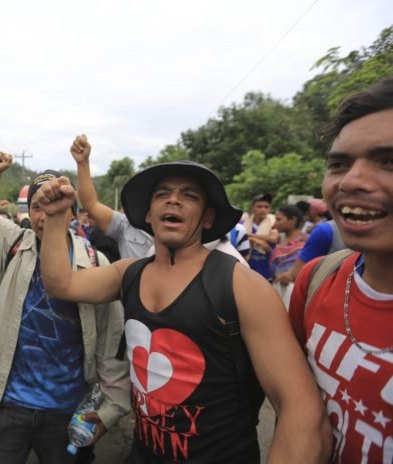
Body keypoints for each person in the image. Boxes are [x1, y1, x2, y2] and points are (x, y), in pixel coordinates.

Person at [37, 160, 332, 462]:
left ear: (208, 218)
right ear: (148, 214)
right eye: (162, 194)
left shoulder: (242, 286)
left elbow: (301, 409)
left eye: (189, 195)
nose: (174, 200)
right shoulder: (129, 274)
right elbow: (62, 284)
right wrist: (57, 216)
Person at [0, 90, 130, 464]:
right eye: (38, 206)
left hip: (69, 410)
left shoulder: (96, 262)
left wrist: (109, 410)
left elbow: (112, 341)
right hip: (9, 406)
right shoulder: (10, 244)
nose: (46, 214)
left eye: (56, 205)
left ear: (73, 213)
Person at [288, 78, 393, 463]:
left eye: (389, 161)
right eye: (338, 164)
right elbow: (297, 410)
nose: (350, 181)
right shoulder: (317, 279)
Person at [70, 134, 153, 258]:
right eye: (162, 194)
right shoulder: (125, 226)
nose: (172, 201)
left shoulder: (182, 234)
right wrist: (83, 163)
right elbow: (90, 204)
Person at [271, 205, 307, 306]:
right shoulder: (279, 241)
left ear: (293, 220)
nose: (275, 224)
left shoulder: (304, 243)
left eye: (279, 219)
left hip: (296, 292)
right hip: (278, 289)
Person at [244, 193, 278, 279]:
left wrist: (250, 236)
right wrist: (259, 241)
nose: (263, 210)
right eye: (259, 206)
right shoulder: (245, 223)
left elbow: (273, 238)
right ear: (252, 208)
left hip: (267, 268)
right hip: (249, 266)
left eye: (266, 207)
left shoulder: (274, 222)